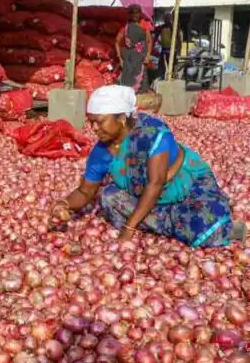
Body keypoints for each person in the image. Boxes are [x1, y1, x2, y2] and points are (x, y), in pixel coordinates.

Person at [49, 85, 245, 248]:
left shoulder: (152, 133)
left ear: (122, 118)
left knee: (207, 225)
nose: (93, 129)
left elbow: (156, 183)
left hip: (186, 188)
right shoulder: (101, 151)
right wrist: (64, 204)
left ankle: (222, 224)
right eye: (91, 122)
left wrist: (128, 230)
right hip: (148, 197)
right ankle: (176, 225)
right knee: (109, 198)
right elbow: (85, 192)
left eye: (99, 122)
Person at [116, 4, 154, 92]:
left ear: (140, 13)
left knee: (142, 82)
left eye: (137, 13)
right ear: (129, 14)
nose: (135, 15)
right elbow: (117, 42)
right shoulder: (126, 27)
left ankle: (141, 101)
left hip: (141, 59)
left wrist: (148, 55)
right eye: (132, 13)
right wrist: (120, 58)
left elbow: (149, 41)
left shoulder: (145, 24)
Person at [156, 12, 183, 80]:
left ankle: (174, 77)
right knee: (162, 66)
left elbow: (179, 40)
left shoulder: (174, 28)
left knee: (174, 66)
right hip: (164, 50)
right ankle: (161, 78)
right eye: (166, 18)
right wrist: (159, 42)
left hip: (173, 50)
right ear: (164, 19)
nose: (167, 20)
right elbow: (155, 36)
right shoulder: (161, 28)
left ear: (171, 19)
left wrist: (179, 52)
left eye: (168, 18)